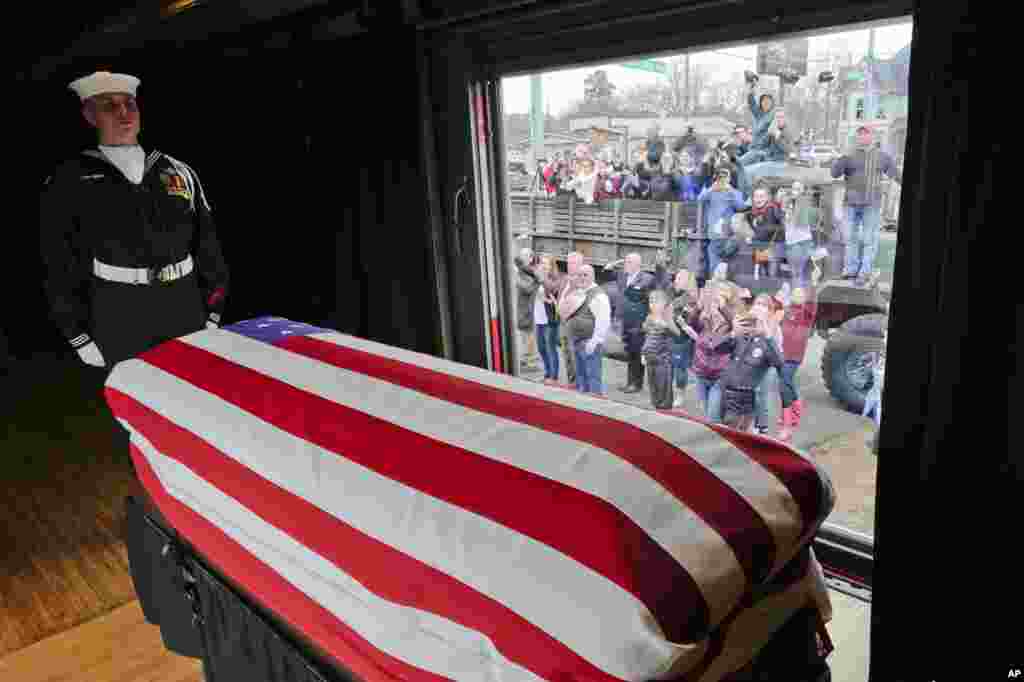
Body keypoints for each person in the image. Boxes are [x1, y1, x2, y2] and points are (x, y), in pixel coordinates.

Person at [40, 71, 229, 377]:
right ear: (89, 115)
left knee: (193, 398)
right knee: (136, 404)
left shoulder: (179, 171)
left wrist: (214, 310)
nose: (123, 113)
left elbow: (207, 245)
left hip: (183, 304)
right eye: (109, 106)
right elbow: (57, 259)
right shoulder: (69, 179)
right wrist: (76, 332)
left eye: (130, 104)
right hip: (118, 310)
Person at [831, 125, 901, 286]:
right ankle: (850, 270)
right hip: (850, 203)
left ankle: (865, 272)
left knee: (870, 239)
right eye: (860, 134)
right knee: (850, 238)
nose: (862, 136)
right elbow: (834, 173)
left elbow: (896, 175)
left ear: (873, 137)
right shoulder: (849, 155)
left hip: (872, 204)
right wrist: (841, 157)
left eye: (866, 133)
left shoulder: (882, 156)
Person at [716, 311, 791, 433]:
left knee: (734, 432)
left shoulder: (766, 343)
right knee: (718, 427)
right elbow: (717, 348)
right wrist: (733, 333)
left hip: (745, 397)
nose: (752, 326)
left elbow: (779, 363)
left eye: (757, 322)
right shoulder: (740, 337)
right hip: (725, 391)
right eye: (750, 322)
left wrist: (767, 335)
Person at [604, 253, 658, 393]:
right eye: (626, 262)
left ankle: (636, 384)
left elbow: (652, 301)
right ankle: (630, 382)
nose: (625, 265)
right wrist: (617, 262)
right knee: (630, 353)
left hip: (638, 323)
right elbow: (607, 270)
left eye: (628, 262)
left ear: (637, 265)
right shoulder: (623, 276)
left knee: (637, 353)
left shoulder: (647, 279)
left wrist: (648, 322)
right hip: (625, 321)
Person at [776, 276, 821, 442]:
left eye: (800, 294)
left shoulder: (806, 314)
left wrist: (814, 284)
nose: (797, 295)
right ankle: (796, 408)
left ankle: (787, 426)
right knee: (787, 384)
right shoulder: (786, 311)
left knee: (783, 386)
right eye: (795, 293)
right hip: (781, 355)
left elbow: (811, 303)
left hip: (793, 357)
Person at [560, 265, 611, 396]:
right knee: (582, 377)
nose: (582, 278)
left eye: (585, 275)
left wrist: (594, 342)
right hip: (578, 342)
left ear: (593, 276)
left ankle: (596, 404)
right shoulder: (579, 291)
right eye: (580, 275)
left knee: (593, 377)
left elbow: (603, 321)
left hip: (589, 343)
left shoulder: (598, 295)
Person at [697, 168, 748, 278]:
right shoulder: (711, 192)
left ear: (730, 179)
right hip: (714, 235)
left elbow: (741, 206)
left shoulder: (734, 192)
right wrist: (711, 188)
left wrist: (731, 191)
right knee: (714, 266)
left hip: (727, 235)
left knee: (724, 266)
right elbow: (700, 199)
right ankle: (714, 285)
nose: (723, 180)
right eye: (720, 177)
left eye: (726, 177)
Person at [641, 289, 682, 411]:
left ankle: (664, 409)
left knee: (663, 388)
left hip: (663, 360)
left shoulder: (669, 318)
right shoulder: (649, 318)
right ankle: (656, 406)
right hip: (650, 358)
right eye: (651, 302)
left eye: (656, 302)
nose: (653, 305)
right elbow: (647, 337)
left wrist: (667, 325)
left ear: (664, 304)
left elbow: (678, 335)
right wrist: (643, 353)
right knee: (652, 386)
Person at [746, 184, 787, 279]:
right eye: (756, 196)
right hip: (763, 248)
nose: (758, 199)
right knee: (764, 275)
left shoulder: (770, 209)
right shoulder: (754, 212)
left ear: (767, 198)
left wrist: (752, 238)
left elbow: (767, 229)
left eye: (761, 197)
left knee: (771, 276)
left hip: (773, 248)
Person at [556, 252, 584, 386]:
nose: (569, 266)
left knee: (574, 355)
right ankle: (571, 381)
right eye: (568, 263)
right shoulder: (565, 279)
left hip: (574, 324)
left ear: (580, 265)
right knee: (566, 353)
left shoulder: (583, 281)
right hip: (562, 323)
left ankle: (579, 383)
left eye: (573, 263)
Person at [533, 256, 561, 386]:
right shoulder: (537, 278)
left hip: (550, 320)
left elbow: (552, 294)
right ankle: (548, 372)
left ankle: (553, 377)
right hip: (539, 318)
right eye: (542, 263)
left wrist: (545, 299)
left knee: (551, 348)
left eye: (546, 263)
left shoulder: (553, 279)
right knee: (541, 348)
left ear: (551, 266)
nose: (543, 265)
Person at [738, 80, 778, 167]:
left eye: (768, 101)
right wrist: (752, 87)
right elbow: (751, 103)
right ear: (761, 103)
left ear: (772, 103)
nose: (766, 103)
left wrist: (765, 151)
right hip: (753, 149)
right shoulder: (759, 115)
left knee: (738, 165)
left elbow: (772, 135)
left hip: (761, 151)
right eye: (763, 101)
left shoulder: (773, 115)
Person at [514, 247, 542, 371]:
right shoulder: (520, 272)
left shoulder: (529, 271)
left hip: (531, 309)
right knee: (527, 336)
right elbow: (526, 288)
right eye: (523, 255)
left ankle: (528, 360)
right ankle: (528, 361)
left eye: (527, 256)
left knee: (529, 336)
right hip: (524, 309)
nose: (524, 258)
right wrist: (537, 281)